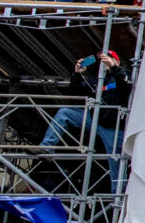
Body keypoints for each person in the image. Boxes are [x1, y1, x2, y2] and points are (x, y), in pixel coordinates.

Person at [39, 52, 131, 191]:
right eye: (101, 60)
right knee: (65, 112)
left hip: (113, 126)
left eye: (108, 58)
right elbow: (75, 91)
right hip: (94, 118)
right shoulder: (97, 80)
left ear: (116, 61)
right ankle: (46, 147)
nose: (103, 62)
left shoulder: (122, 75)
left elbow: (126, 86)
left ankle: (117, 198)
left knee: (116, 162)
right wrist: (77, 74)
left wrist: (113, 67)